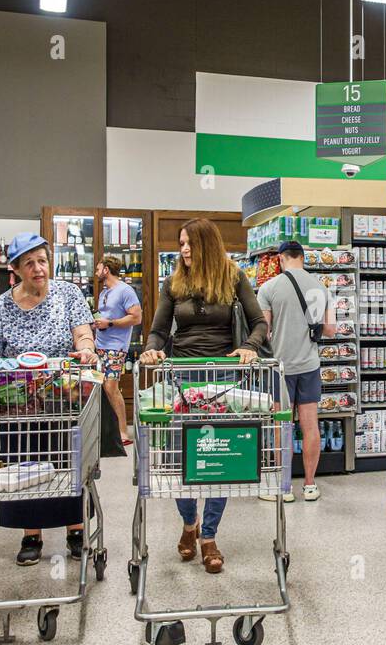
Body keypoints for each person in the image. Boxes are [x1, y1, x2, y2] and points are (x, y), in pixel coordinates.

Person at [139, 218, 266, 574]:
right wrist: (152, 350)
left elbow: (258, 322)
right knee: (182, 456)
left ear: (207, 245)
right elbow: (159, 330)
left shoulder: (233, 276)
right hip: (182, 376)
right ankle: (189, 522)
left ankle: (208, 536)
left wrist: (249, 347)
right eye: (181, 243)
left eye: (190, 244)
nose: (184, 250)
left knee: (219, 455)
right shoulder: (174, 281)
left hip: (222, 376)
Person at [0, 234, 97, 566]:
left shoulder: (68, 294)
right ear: (15, 269)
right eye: (29, 263)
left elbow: (83, 331)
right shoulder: (2, 304)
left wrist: (86, 347)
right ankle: (31, 534)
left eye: (42, 260)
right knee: (23, 462)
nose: (38, 268)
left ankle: (75, 529)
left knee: (66, 460)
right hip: (16, 399)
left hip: (62, 395)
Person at [256, 241, 336, 502]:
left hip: (281, 366)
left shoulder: (269, 288)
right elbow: (330, 330)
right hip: (310, 365)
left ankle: (285, 486)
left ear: (280, 259)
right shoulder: (321, 287)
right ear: (303, 258)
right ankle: (310, 485)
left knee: (283, 425)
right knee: (310, 425)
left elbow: (264, 331)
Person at [93, 255, 142, 447]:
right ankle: (109, 430)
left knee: (112, 388)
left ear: (106, 269)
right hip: (100, 345)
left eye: (98, 268)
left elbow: (136, 318)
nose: (96, 272)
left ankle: (123, 432)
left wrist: (110, 323)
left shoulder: (125, 290)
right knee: (103, 389)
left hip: (116, 347)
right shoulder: (104, 291)